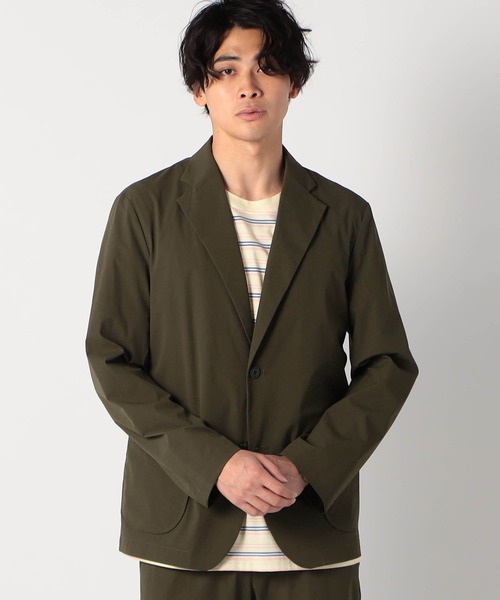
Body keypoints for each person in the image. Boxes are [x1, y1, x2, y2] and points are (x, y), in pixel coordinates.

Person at [86, 1, 418, 598]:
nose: (248, 85)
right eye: (226, 69)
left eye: (268, 66)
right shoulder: (144, 211)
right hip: (185, 534)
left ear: (295, 83)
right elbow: (113, 361)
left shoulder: (345, 216)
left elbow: (387, 365)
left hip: (311, 534)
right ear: (200, 90)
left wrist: (309, 465)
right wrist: (214, 463)